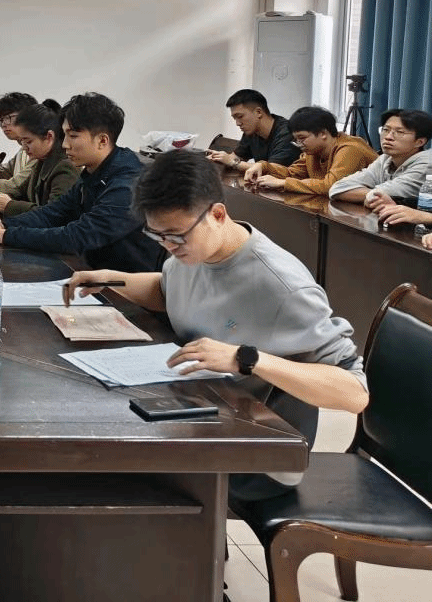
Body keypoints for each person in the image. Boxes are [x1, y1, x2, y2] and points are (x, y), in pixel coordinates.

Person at [66, 149, 369, 502]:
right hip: (199, 415)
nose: (169, 246)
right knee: (93, 430)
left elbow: (354, 393)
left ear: (218, 214)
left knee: (107, 469)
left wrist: (247, 359)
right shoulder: (194, 252)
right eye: (157, 236)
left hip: (257, 452)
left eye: (176, 236)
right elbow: (169, 291)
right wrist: (112, 279)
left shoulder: (283, 286)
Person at [0, 92, 163, 273]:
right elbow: (55, 212)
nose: (64, 144)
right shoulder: (93, 170)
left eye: (73, 136)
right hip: (89, 271)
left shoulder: (129, 182)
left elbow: (78, 236)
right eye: (64, 135)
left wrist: (4, 235)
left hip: (123, 285)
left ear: (102, 141)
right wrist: (3, 224)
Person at [243, 105, 377, 195]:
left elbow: (331, 186)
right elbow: (292, 173)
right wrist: (263, 166)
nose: (299, 144)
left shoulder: (350, 149)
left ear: (323, 133)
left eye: (302, 138)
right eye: (296, 140)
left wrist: (284, 183)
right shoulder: (313, 151)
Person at [0, 100, 79, 218]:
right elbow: (20, 192)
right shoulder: (41, 160)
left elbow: (54, 215)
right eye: (22, 141)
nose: (24, 147)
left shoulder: (64, 166)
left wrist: (9, 206)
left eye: (29, 142)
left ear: (49, 137)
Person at [328, 108, 432, 210]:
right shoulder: (385, 158)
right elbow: (337, 188)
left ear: (420, 142)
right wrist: (373, 194)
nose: (388, 137)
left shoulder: (427, 164)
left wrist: (370, 194)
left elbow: (382, 194)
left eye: (400, 132)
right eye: (386, 130)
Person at [206, 89, 297, 169]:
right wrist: (219, 158)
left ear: (258, 112)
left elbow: (273, 170)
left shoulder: (288, 132)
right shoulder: (252, 132)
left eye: (240, 116)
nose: (238, 123)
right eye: (235, 118)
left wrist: (232, 162)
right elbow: (236, 157)